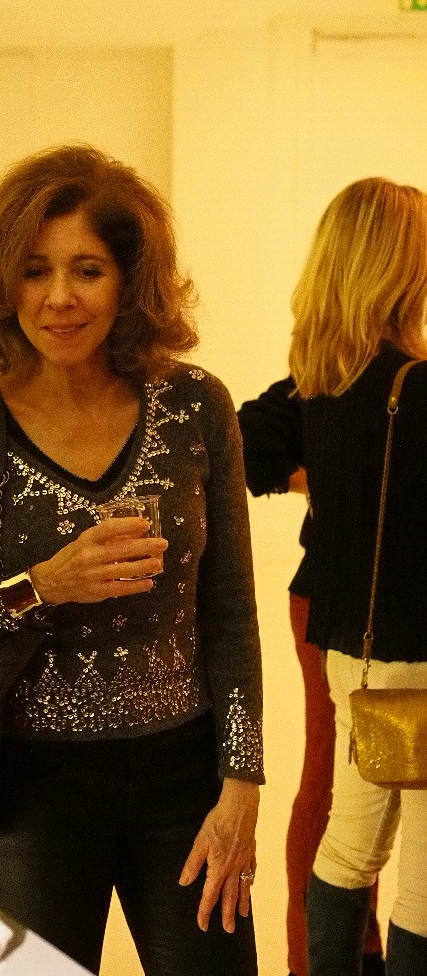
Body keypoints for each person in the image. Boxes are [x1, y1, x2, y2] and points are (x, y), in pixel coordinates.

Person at [0, 144, 264, 975]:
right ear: (5, 283)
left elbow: (230, 608)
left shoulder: (195, 403)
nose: (60, 297)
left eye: (87, 269)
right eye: (34, 270)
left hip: (184, 777)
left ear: (130, 281)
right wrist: (45, 585)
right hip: (22, 786)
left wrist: (242, 782)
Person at [283, 177, 427, 976]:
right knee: (426, 877)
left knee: (351, 838)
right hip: (420, 654)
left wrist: (321, 483)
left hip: (357, 654)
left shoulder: (316, 384)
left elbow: (252, 447)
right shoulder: (417, 384)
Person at [237, 383, 385, 976]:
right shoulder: (329, 376)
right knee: (335, 775)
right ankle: (316, 960)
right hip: (335, 604)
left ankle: (356, 949)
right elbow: (248, 438)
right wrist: (327, 479)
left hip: (382, 606)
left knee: (371, 785)